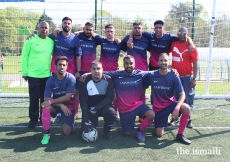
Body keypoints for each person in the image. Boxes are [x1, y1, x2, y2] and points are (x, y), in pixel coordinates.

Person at [102, 55, 155, 142]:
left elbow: (155, 72)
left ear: (134, 64)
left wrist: (170, 70)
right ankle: (129, 124)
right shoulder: (117, 74)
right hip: (125, 109)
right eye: (126, 63)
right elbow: (101, 73)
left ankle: (139, 131)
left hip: (138, 106)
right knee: (127, 133)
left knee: (152, 115)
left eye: (131, 63)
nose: (129, 65)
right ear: (123, 64)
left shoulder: (140, 73)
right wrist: (88, 74)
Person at [145, 53, 191, 145]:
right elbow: (140, 80)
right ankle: (161, 120)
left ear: (169, 62)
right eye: (161, 60)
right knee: (159, 134)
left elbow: (182, 94)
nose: (163, 62)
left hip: (170, 104)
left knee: (187, 108)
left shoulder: (174, 75)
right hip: (158, 109)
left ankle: (180, 135)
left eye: (165, 60)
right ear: (158, 62)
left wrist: (177, 108)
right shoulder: (152, 75)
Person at [21, 21, 54, 129]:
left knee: (45, 99)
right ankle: (33, 119)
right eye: (42, 27)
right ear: (38, 28)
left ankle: (43, 117)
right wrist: (25, 73)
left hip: (47, 75)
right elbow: (24, 56)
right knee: (34, 99)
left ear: (49, 29)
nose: (44, 29)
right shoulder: (30, 40)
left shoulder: (51, 42)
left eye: (46, 28)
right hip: (33, 75)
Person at [50, 17, 82, 124]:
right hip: (56, 70)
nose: (67, 25)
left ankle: (74, 113)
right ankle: (59, 114)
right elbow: (43, 35)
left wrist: (78, 70)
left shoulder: (75, 39)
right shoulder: (55, 35)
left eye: (69, 23)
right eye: (65, 23)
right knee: (56, 92)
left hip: (71, 71)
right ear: (62, 24)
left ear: (71, 25)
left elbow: (78, 56)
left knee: (73, 93)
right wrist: (32, 35)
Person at [127, 20, 194, 71]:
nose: (158, 29)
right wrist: (130, 39)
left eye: (160, 27)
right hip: (153, 66)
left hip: (164, 65)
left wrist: (191, 43)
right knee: (154, 86)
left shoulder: (169, 37)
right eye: (156, 28)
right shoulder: (151, 36)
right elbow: (134, 30)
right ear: (154, 29)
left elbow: (183, 36)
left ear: (163, 29)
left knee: (165, 86)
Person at [40, 56, 77, 144]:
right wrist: (60, 105)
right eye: (59, 65)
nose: (62, 67)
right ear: (55, 66)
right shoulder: (50, 80)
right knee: (45, 106)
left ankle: (70, 123)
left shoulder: (71, 78)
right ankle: (46, 133)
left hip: (68, 105)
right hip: (57, 105)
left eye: (64, 65)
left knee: (67, 132)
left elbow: (67, 97)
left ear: (67, 67)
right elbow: (46, 99)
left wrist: (52, 102)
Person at [169, 27, 198, 128]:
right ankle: (175, 118)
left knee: (188, 98)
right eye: (179, 33)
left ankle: (188, 119)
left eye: (183, 33)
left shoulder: (192, 47)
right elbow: (167, 54)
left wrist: (194, 78)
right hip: (175, 77)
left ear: (187, 33)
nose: (181, 34)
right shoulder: (173, 44)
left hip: (187, 77)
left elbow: (195, 64)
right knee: (175, 97)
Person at [121, 22, 150, 123]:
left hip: (143, 72)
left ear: (142, 29)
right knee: (130, 94)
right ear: (133, 29)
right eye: (135, 28)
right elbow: (120, 47)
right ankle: (130, 113)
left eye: (139, 28)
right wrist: (128, 38)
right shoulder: (127, 39)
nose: (137, 30)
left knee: (142, 93)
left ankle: (142, 116)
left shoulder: (147, 39)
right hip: (130, 72)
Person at [79, 60, 116, 140]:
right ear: (90, 70)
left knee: (111, 112)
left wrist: (96, 108)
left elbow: (110, 98)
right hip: (90, 108)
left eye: (98, 68)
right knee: (86, 130)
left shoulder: (108, 80)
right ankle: (91, 124)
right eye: (94, 69)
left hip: (103, 106)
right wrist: (86, 118)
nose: (96, 71)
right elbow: (83, 100)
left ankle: (106, 130)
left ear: (102, 69)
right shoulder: (84, 81)